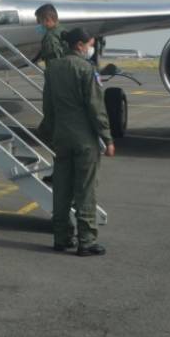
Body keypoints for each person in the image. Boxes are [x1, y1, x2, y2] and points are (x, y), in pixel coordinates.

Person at [38, 27, 115, 256]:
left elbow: (48, 106)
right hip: (84, 139)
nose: (91, 48)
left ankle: (61, 237)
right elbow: (96, 108)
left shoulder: (52, 69)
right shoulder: (86, 69)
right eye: (90, 44)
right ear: (80, 45)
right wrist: (107, 138)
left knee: (61, 188)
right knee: (85, 190)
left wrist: (49, 132)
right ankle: (86, 241)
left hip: (61, 136)